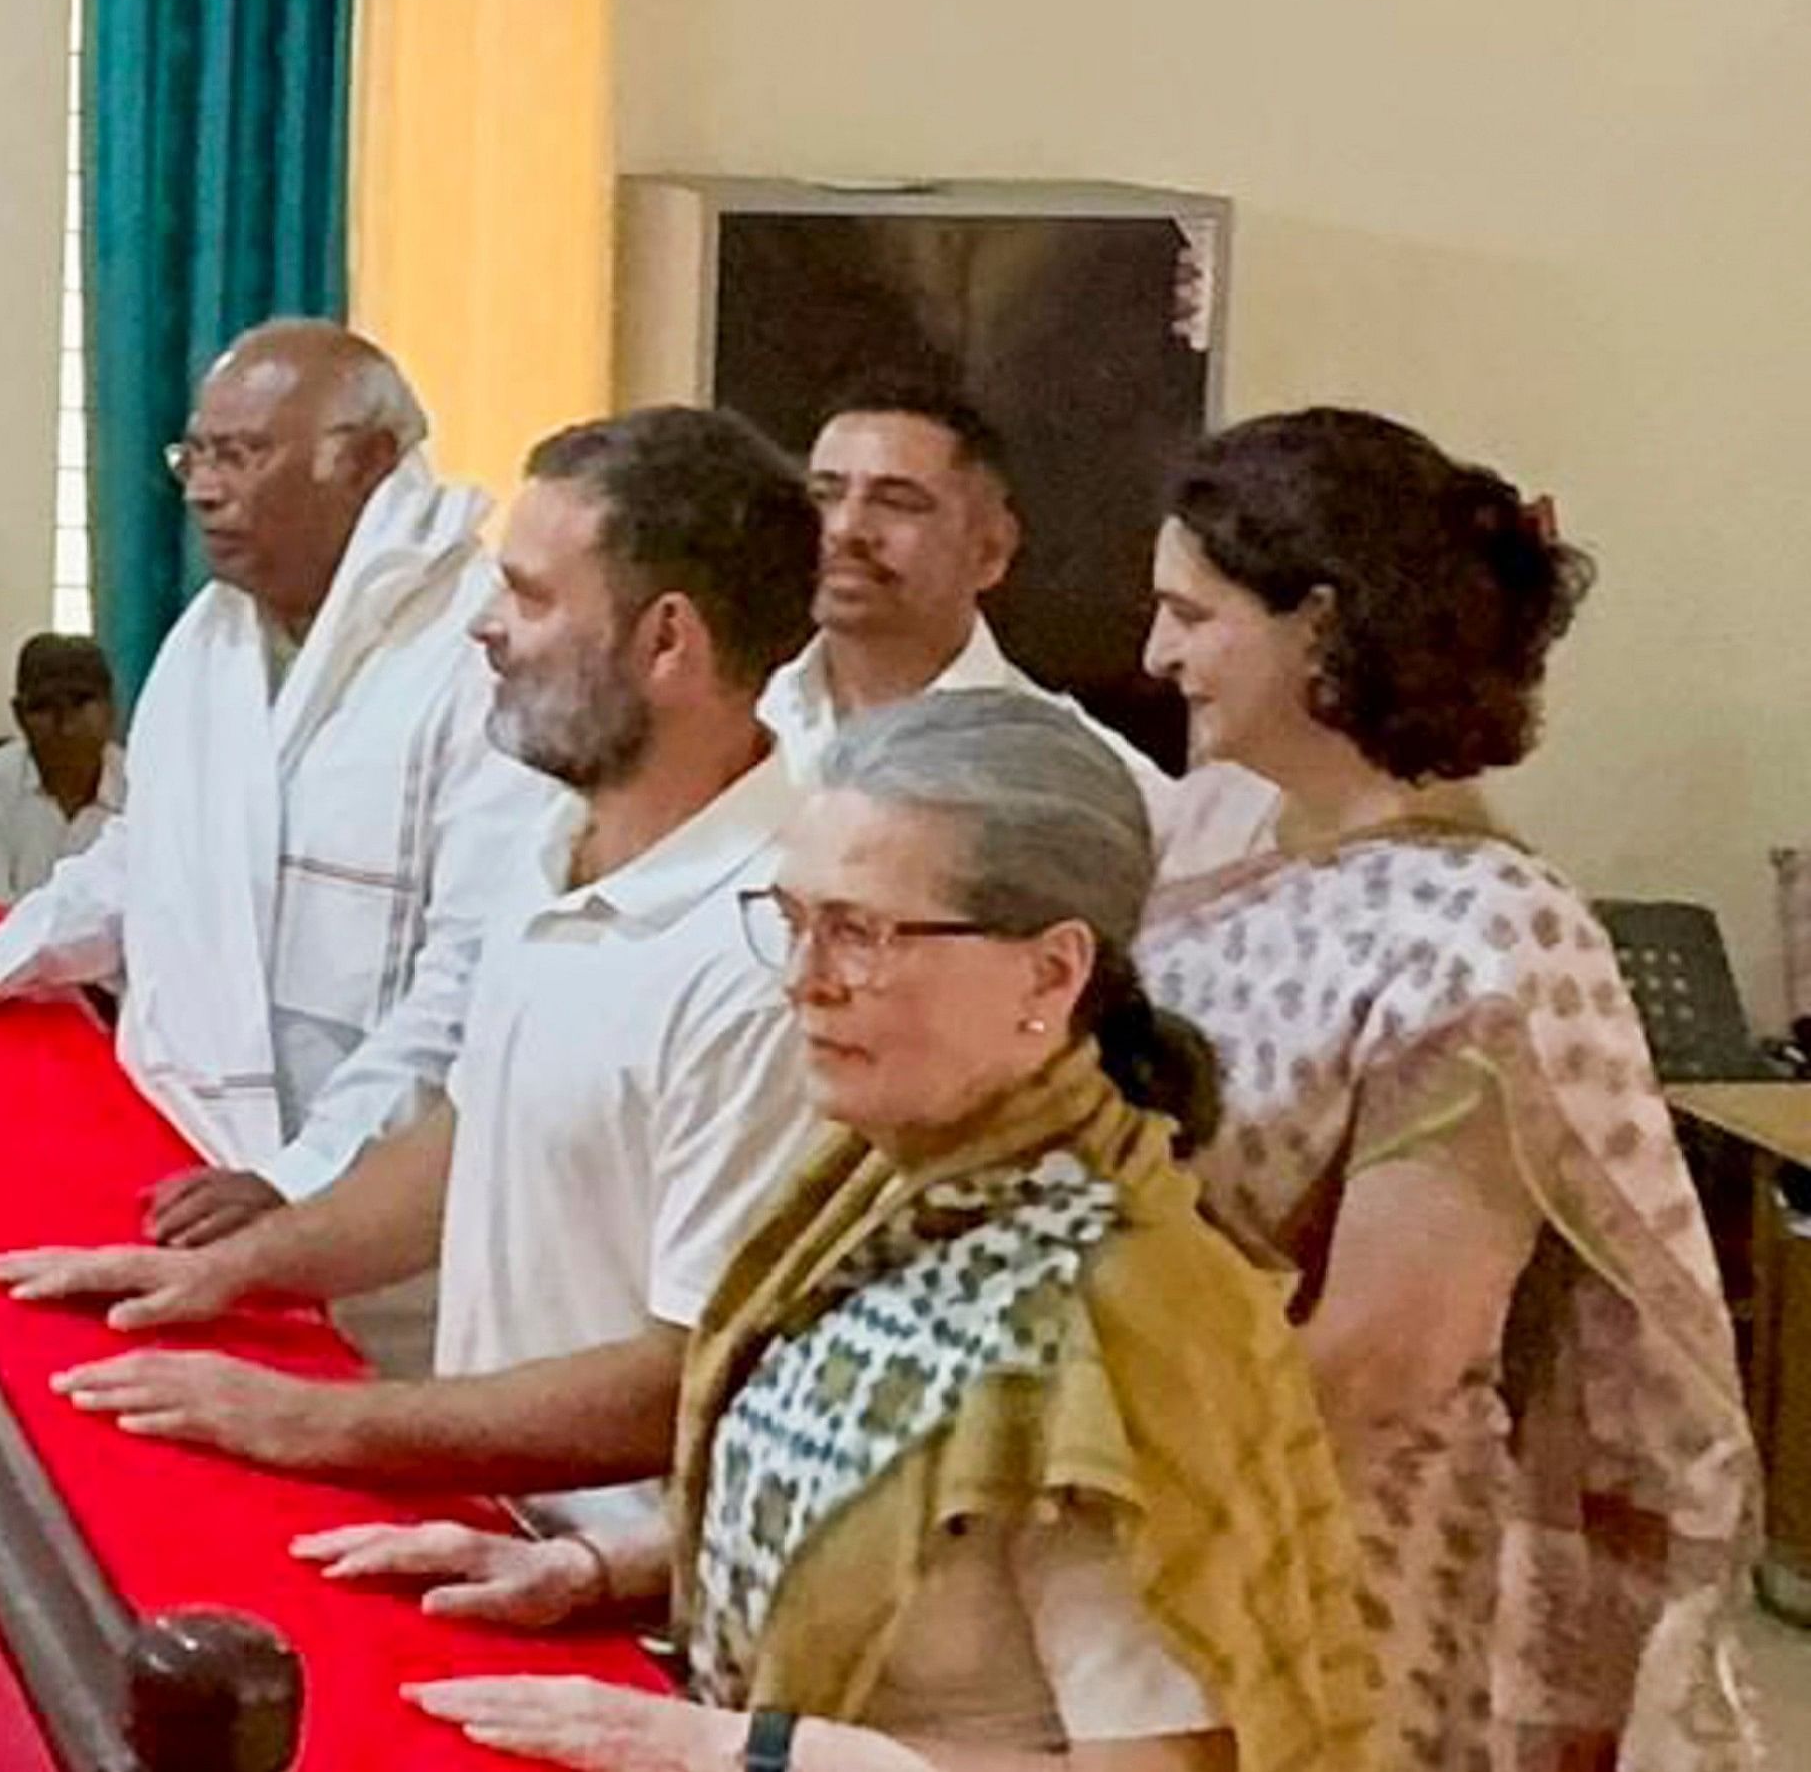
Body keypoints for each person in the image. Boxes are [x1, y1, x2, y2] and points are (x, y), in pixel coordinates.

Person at [366, 695, 1377, 1771]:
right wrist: (590, 1573)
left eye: (860, 931)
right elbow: (874, 1516)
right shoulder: (878, 1188)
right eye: (794, 921)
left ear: (1051, 971)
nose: (804, 982)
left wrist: (743, 1751)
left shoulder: (1125, 1315)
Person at [0, 407, 824, 1549]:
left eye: (529, 597)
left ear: (667, 641)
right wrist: (237, 1271)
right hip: (500, 1513)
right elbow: (478, 1134)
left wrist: (320, 1423)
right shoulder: (557, 845)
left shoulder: (772, 951)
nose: (484, 628)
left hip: (629, 1585)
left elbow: (691, 1371)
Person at [1137, 409, 1762, 1767]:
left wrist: (1128, 1497)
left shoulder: (1478, 928)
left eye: (1188, 613)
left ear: (1317, 624)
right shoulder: (1212, 835)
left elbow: (1385, 1350)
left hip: (1331, 1531)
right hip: (1177, 1455)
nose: (1155, 654)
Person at [0, 325, 559, 1232]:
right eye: (193, 455)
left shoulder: (480, 647)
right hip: (186, 1154)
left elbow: (476, 973)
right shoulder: (211, 634)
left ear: (363, 462)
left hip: (380, 1214)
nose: (202, 489)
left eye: (240, 456)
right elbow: (146, 851)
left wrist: (306, 1174)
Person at [764, 377, 1169, 819]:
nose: (845, 529)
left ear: (991, 550)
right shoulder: (732, 722)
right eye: (824, 496)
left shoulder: (1080, 778)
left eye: (897, 502)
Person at [0, 632, 125, 903]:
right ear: (18, 715)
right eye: (44, 707)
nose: (65, 725)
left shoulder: (146, 791)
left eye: (80, 702)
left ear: (111, 708)